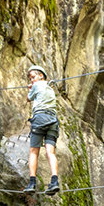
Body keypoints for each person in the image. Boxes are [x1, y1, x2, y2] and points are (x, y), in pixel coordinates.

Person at [23, 65, 60, 195]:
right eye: (30, 78)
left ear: (40, 76)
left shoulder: (37, 85)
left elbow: (28, 98)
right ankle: (54, 181)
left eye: (33, 77)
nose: (31, 80)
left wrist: (30, 89)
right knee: (51, 152)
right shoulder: (50, 88)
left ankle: (32, 183)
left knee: (34, 152)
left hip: (40, 118)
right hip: (53, 120)